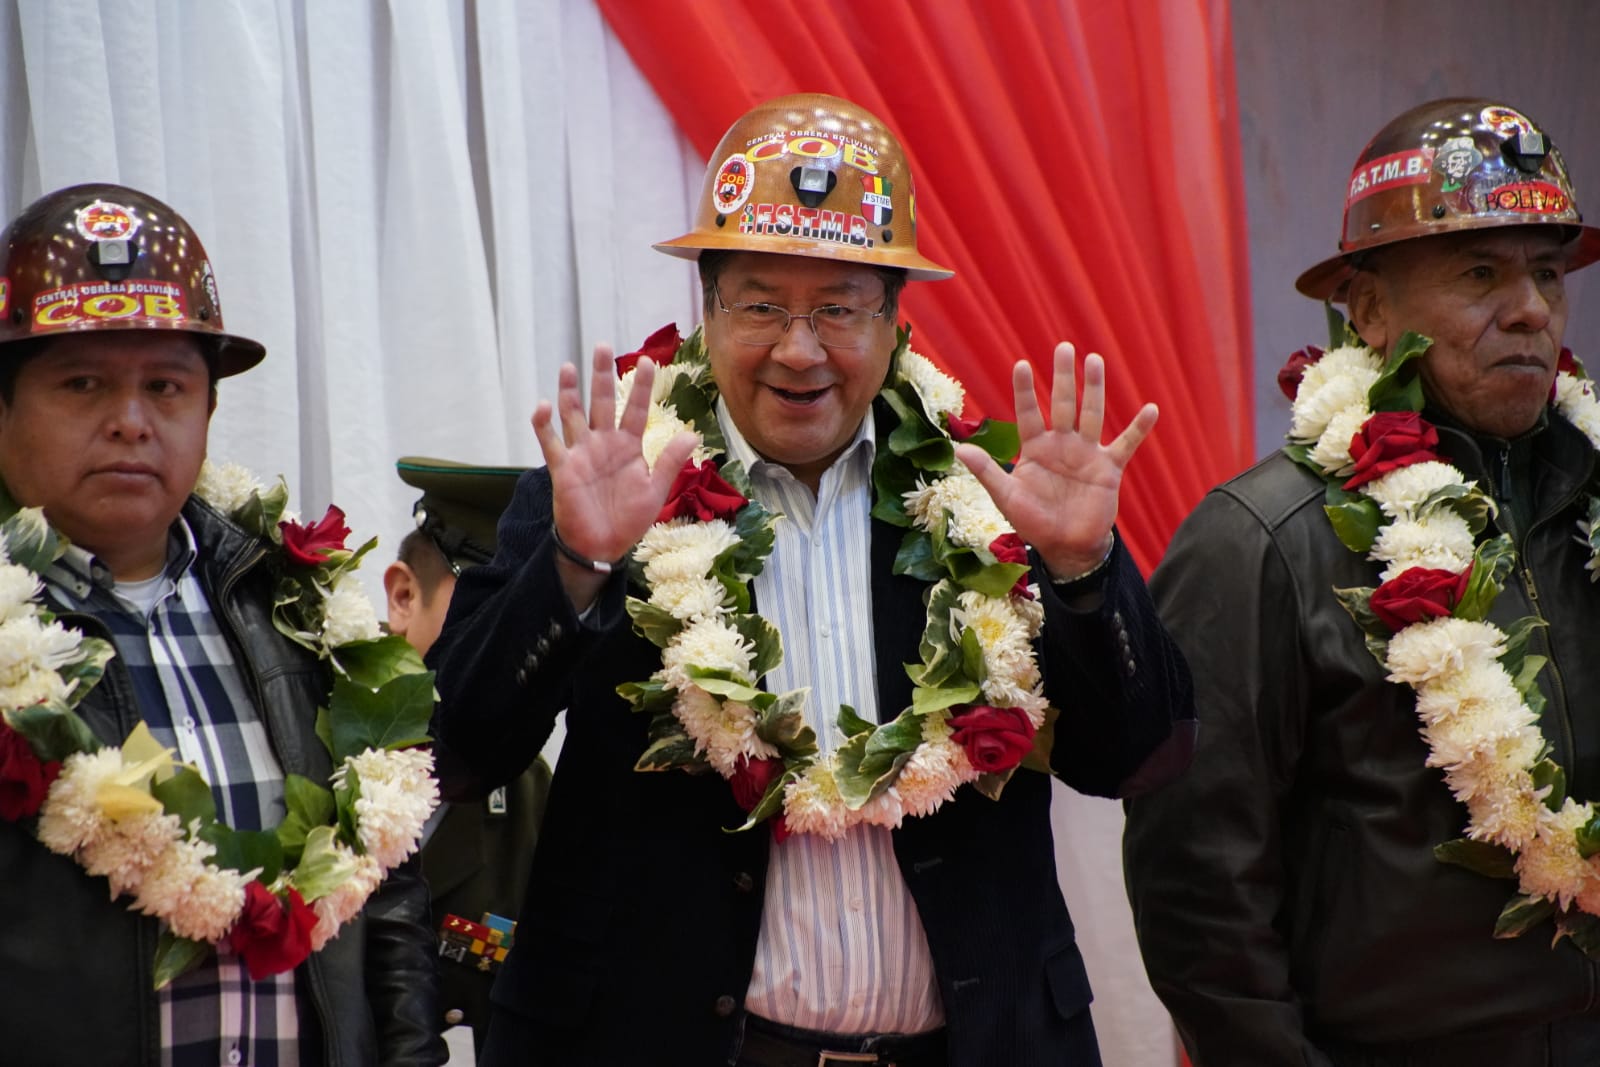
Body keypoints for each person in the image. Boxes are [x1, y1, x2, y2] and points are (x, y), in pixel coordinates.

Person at [430, 92, 1196, 1066]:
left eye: (838, 307)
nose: (800, 350)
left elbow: (1140, 759)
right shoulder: (611, 490)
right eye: (760, 304)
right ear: (706, 312)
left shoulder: (987, 499)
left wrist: (1083, 569)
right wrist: (577, 566)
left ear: (895, 322)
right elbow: (456, 753)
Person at [1124, 98, 1600, 1065]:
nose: (1530, 309)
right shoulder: (1257, 541)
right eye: (1480, 273)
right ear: (1369, 310)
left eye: (1547, 272)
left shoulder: (1591, 502)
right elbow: (1198, 893)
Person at [0, 184, 443, 1066]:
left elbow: (384, 886)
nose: (131, 422)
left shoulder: (290, 607)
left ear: (208, 409)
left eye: (165, 386)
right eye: (82, 383)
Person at [383, 456, 551, 1058]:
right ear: (404, 596)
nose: (512, 639)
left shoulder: (530, 792)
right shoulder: (303, 736)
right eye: (491, 605)